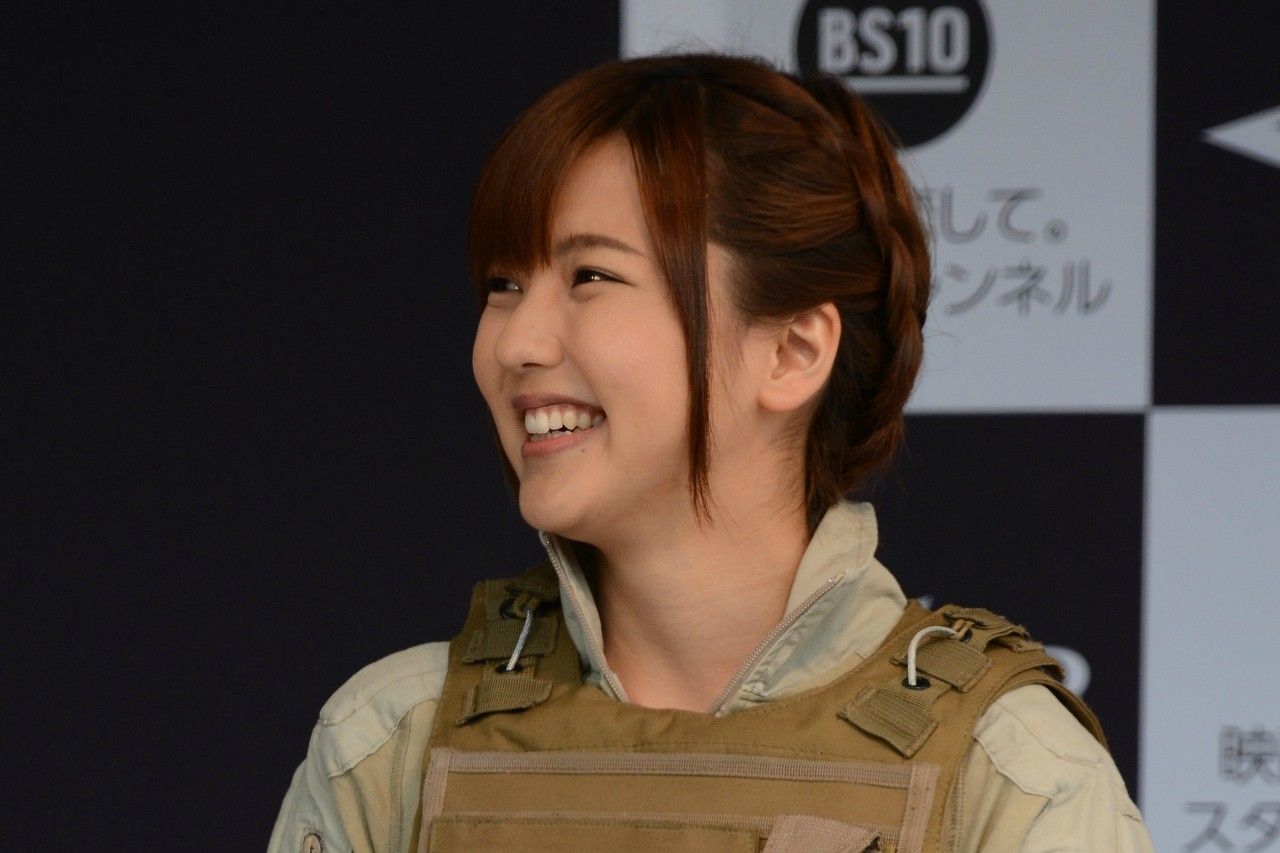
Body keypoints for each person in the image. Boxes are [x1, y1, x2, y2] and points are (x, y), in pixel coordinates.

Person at [270, 53, 1152, 852]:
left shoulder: (1008, 773)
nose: (513, 343)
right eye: (503, 283)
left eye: (590, 276)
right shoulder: (391, 742)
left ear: (793, 351)